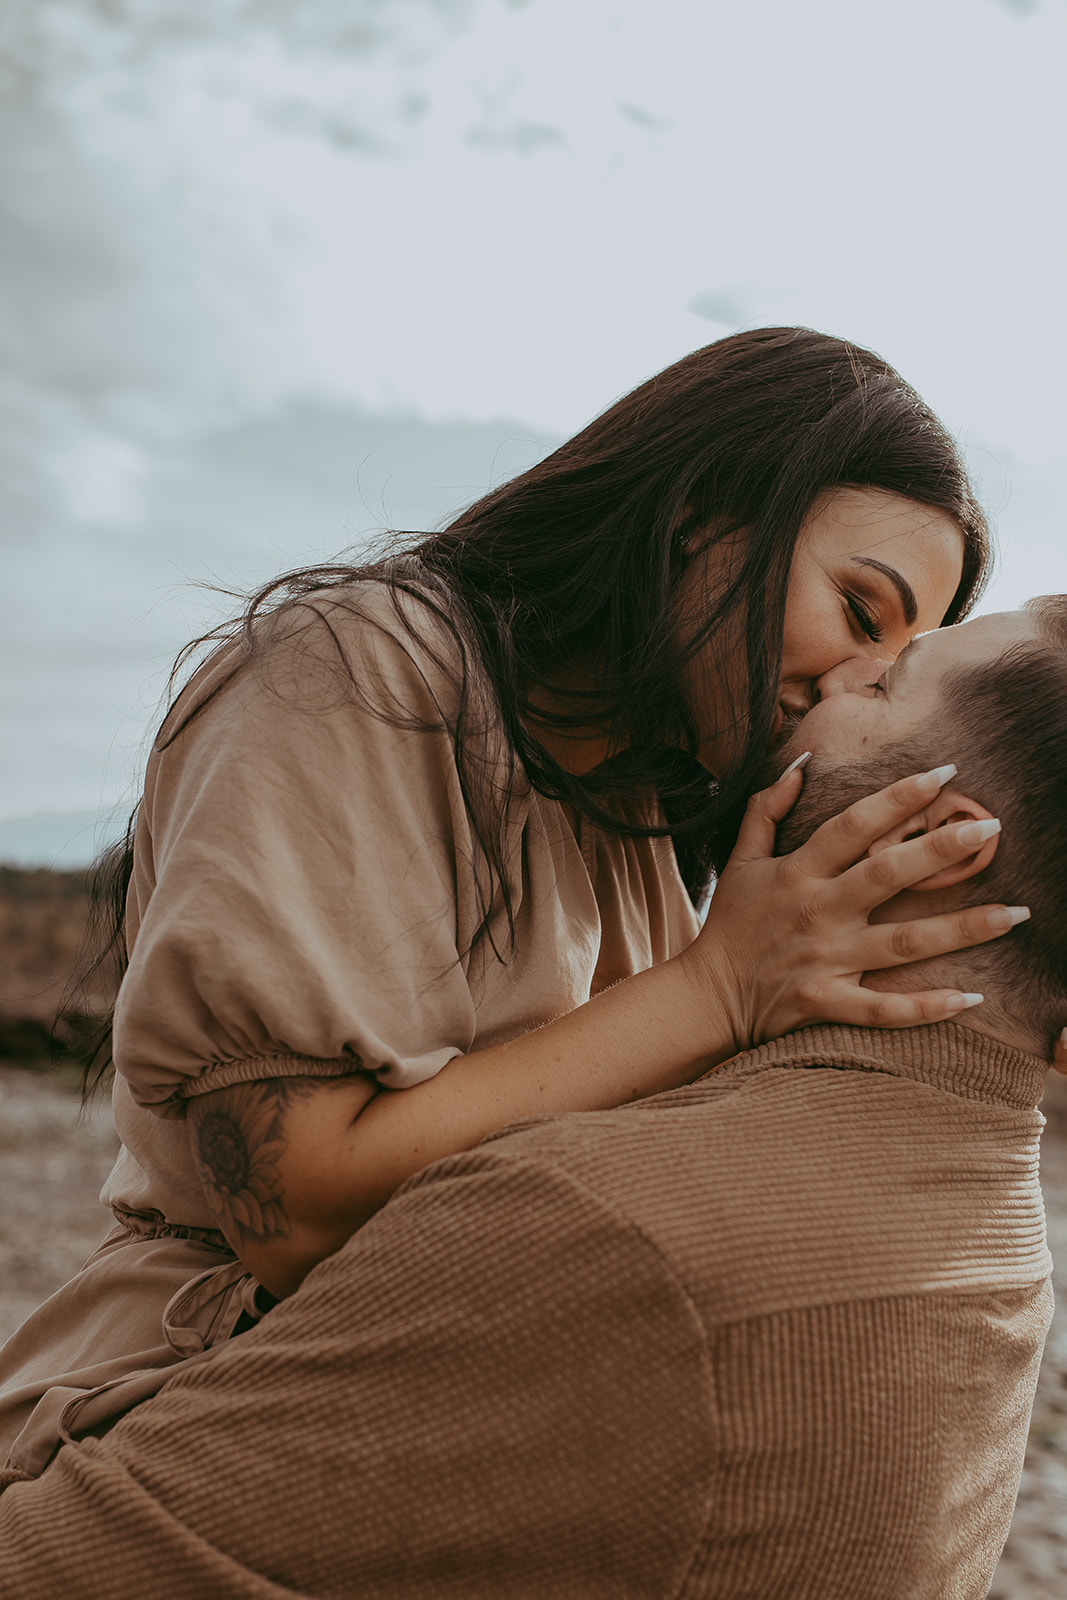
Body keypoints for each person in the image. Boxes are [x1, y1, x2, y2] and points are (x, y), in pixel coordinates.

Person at [0, 327, 1022, 1477]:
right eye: (859, 608)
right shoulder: (358, 670)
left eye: (890, 666)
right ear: (701, 514)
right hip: (188, 1413)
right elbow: (292, 1217)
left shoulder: (633, 803)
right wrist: (720, 985)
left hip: (450, 1415)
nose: (847, 682)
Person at [1, 597, 1061, 1599]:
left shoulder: (607, 1220)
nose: (837, 672)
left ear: (934, 840)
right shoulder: (995, 1240)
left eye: (885, 678)